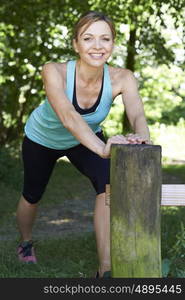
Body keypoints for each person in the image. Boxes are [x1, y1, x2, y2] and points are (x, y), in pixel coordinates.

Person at [16, 11, 151, 277]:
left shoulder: (123, 78)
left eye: (105, 39)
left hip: (85, 138)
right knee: (32, 196)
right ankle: (25, 242)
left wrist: (142, 135)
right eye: (88, 38)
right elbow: (68, 117)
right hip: (43, 139)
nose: (97, 46)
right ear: (76, 44)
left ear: (113, 43)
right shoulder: (53, 71)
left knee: (108, 186)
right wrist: (102, 149)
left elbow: (137, 114)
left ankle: (105, 269)